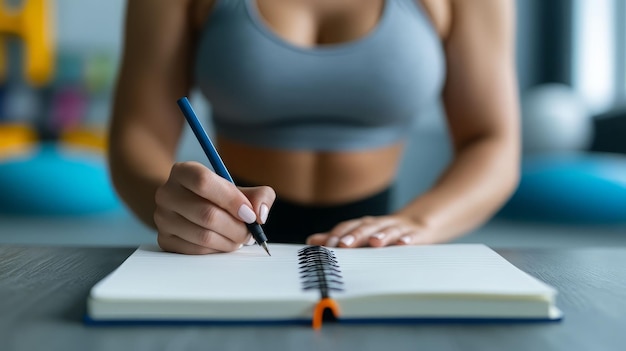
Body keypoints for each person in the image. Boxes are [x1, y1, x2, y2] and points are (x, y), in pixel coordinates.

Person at [108, 0, 520, 254]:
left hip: (381, 244)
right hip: (225, 240)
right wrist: (172, 206)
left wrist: (421, 223)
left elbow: (492, 140)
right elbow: (138, 135)